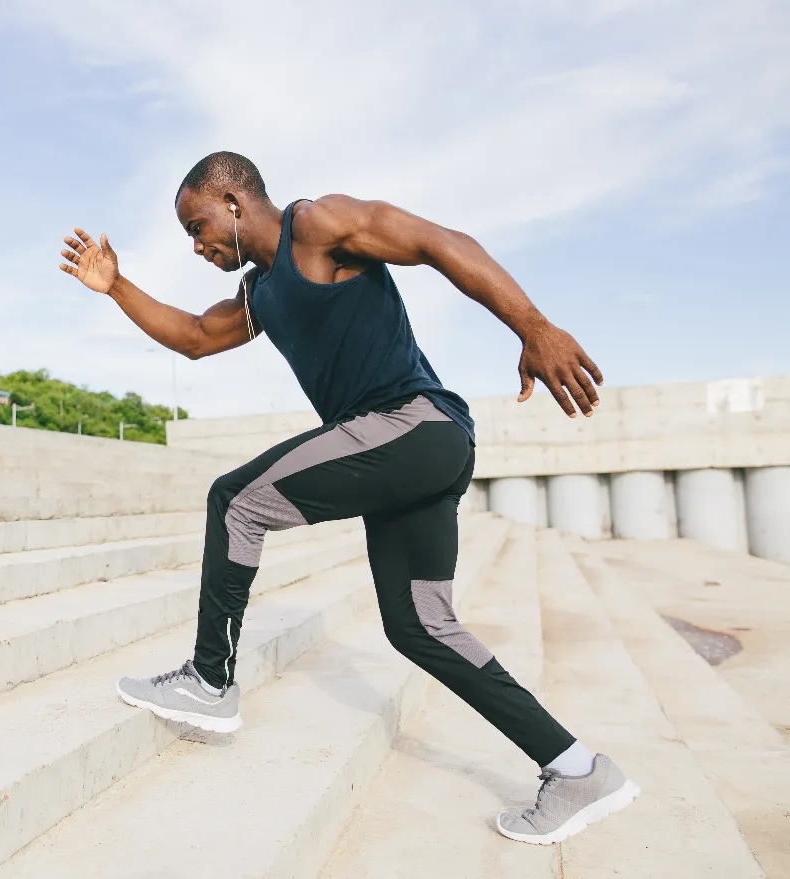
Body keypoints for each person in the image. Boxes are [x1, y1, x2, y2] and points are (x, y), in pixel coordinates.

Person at [57, 151, 639, 844]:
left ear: (235, 203)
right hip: (416, 451)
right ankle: (578, 770)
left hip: (413, 424)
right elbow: (192, 337)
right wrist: (117, 284)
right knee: (420, 625)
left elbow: (438, 242)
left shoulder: (319, 226)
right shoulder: (260, 292)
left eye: (198, 223)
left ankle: (208, 682)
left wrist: (533, 326)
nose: (196, 244)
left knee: (236, 500)